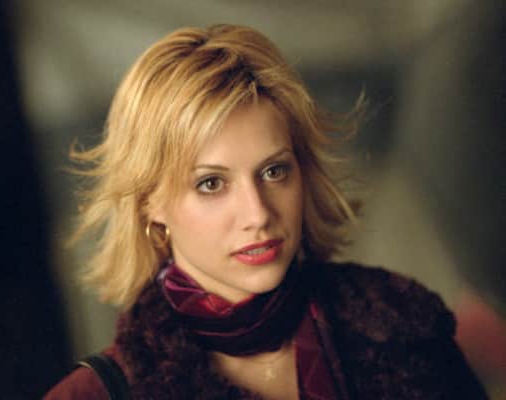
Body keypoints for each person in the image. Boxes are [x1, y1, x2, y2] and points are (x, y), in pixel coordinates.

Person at [44, 24, 487, 399]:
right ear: (149, 202)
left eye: (274, 171)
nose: (257, 214)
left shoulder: (405, 328)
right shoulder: (93, 394)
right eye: (211, 183)